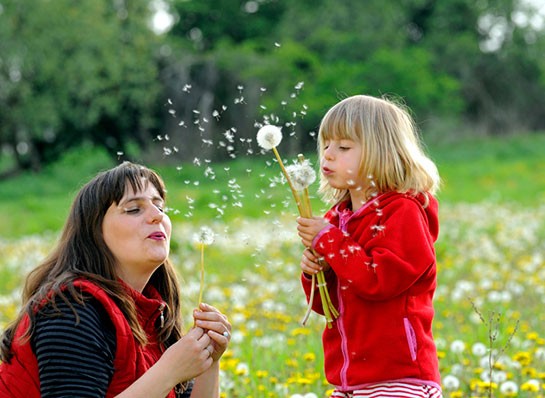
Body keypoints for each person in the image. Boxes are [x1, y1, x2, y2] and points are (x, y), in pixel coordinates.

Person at [0, 161, 231, 397]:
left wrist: (209, 362)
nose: (156, 216)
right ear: (95, 232)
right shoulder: (70, 310)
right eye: (133, 209)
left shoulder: (152, 318)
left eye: (160, 207)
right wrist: (168, 371)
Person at [296, 95, 443, 397]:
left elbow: (380, 281)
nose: (328, 155)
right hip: (350, 382)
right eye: (325, 145)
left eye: (344, 147)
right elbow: (328, 307)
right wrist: (316, 273)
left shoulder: (402, 212)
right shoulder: (336, 218)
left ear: (382, 152)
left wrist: (331, 242)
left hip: (399, 378)